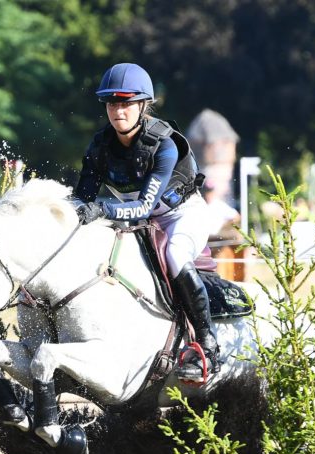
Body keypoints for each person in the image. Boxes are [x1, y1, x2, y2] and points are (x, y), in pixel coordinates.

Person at [73, 62, 222, 382]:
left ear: (142, 105)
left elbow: (143, 207)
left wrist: (102, 211)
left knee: (175, 257)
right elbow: (81, 200)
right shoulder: (100, 145)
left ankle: (208, 345)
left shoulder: (163, 144)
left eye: (126, 102)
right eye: (112, 103)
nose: (118, 110)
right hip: (136, 220)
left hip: (181, 215)